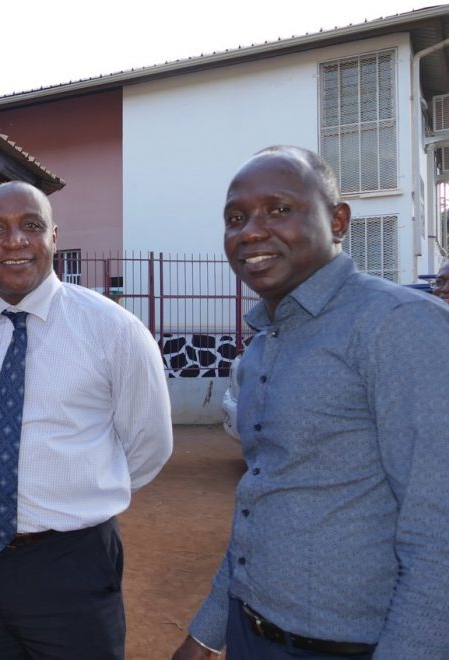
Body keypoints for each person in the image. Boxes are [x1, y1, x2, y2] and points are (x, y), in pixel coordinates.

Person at [172, 146, 449, 660]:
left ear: (337, 221)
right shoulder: (264, 346)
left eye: (279, 209)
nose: (250, 232)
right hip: (250, 633)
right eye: (236, 218)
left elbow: (439, 533)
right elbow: (262, 497)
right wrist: (210, 630)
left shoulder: (398, 326)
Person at [0, 180, 173, 659]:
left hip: (71, 566)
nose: (15, 241)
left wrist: (79, 496)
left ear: (54, 237)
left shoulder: (115, 331)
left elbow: (149, 445)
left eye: (31, 226)